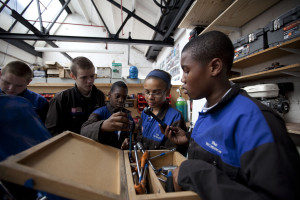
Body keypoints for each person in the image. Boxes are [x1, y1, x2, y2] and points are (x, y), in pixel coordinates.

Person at [162, 31, 300, 200]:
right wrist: (189, 139)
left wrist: (193, 174)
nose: (182, 79)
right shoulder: (209, 110)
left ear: (214, 67)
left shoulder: (258, 121)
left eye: (186, 70)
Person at [45, 56, 105, 136]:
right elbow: (51, 131)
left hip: (94, 144)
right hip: (69, 145)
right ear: (73, 76)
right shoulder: (61, 99)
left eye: (92, 76)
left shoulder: (99, 96)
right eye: (84, 77)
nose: (90, 81)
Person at [137, 69, 187, 153]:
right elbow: (139, 137)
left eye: (156, 93)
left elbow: (173, 152)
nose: (150, 97)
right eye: (147, 92)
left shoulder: (175, 117)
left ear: (167, 92)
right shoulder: (145, 113)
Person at [81, 81, 133, 149]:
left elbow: (129, 136)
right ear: (109, 94)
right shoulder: (98, 113)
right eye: (117, 96)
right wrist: (102, 126)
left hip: (120, 155)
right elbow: (83, 131)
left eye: (124, 97)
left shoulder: (128, 116)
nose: (121, 100)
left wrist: (128, 142)